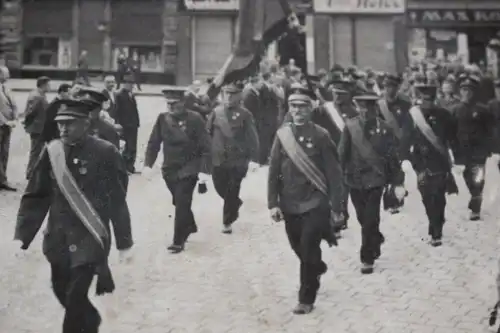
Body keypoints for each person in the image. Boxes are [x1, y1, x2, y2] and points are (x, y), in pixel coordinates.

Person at [14, 98, 133, 333]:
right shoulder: (52, 151)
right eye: (60, 124)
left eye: (70, 123)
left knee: (75, 299)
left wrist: (124, 242)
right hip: (58, 238)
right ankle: (91, 322)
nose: (63, 129)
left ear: (86, 124)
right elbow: (36, 195)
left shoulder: (105, 152)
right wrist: (22, 235)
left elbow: (117, 200)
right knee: (61, 290)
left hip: (90, 237)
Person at [268, 88, 344, 315]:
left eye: (302, 106)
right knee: (298, 246)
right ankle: (317, 268)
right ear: (289, 109)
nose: (297, 111)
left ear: (310, 109)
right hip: (290, 202)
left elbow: (334, 174)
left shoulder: (321, 135)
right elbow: (273, 171)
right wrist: (273, 203)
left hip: (315, 202)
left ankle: (306, 298)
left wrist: (337, 207)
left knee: (309, 246)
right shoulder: (282, 135)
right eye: (293, 106)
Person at [338, 93, 404, 274]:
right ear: (357, 108)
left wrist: (397, 180)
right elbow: (342, 154)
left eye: (369, 107)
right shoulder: (350, 127)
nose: (365, 111)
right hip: (354, 180)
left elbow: (392, 156)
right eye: (361, 107)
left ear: (375, 108)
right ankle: (376, 238)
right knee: (362, 218)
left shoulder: (384, 128)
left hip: (375, 180)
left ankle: (366, 258)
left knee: (370, 218)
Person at [143, 88, 212, 253]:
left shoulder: (195, 119)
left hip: (189, 168)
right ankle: (189, 225)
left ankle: (178, 240)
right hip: (169, 169)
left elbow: (206, 146)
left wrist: (203, 171)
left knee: (181, 202)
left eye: (174, 103)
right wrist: (147, 164)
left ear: (183, 103)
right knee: (179, 201)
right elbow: (154, 143)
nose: (171, 107)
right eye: (168, 104)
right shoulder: (162, 119)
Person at [407, 78, 458, 246]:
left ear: (434, 99)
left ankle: (437, 230)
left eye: (429, 99)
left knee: (439, 197)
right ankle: (433, 221)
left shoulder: (444, 115)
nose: (426, 102)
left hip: (440, 162)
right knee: (427, 197)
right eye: (423, 99)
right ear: (419, 98)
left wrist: (457, 158)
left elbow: (453, 137)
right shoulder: (413, 115)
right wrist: (404, 159)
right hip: (420, 163)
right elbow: (404, 139)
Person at [206, 81, 260, 234]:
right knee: (219, 187)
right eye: (227, 93)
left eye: (233, 94)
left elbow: (253, 138)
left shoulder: (245, 114)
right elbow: (207, 133)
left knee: (232, 189)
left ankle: (227, 221)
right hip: (218, 159)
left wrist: (254, 159)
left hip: (237, 160)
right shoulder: (216, 112)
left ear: (239, 96)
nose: (229, 97)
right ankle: (235, 203)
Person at [451, 74, 496, 220]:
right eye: (464, 89)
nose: (467, 92)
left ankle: (476, 205)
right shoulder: (455, 109)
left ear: (474, 92)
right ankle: (474, 195)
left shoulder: (483, 110)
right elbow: (451, 131)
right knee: (468, 178)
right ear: (460, 91)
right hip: (463, 151)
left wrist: (489, 148)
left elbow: (490, 130)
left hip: (479, 151)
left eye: (470, 89)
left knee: (478, 178)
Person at [378, 74, 412, 214]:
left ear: (397, 88)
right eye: (387, 87)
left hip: (400, 144)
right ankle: (390, 198)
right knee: (386, 174)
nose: (389, 90)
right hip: (384, 145)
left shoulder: (405, 104)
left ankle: (396, 201)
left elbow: (409, 125)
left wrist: (406, 142)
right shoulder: (378, 105)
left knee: (398, 175)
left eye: (392, 87)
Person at [24, 76, 51, 179]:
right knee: (35, 152)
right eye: (48, 84)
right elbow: (30, 112)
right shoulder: (36, 96)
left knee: (37, 151)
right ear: (43, 85)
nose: (50, 87)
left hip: (40, 128)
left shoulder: (41, 95)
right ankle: (31, 174)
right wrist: (30, 125)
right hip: (37, 128)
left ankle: (33, 174)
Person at [114, 74, 140, 174]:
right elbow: (117, 110)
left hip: (133, 124)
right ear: (124, 84)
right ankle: (126, 166)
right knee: (127, 146)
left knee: (133, 146)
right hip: (125, 125)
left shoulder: (131, 95)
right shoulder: (120, 95)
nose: (131, 86)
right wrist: (118, 123)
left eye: (132, 84)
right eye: (129, 83)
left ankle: (131, 166)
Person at [0, 66, 17, 191]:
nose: (8, 76)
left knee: (5, 153)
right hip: (2, 124)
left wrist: (15, 118)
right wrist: (5, 122)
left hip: (8, 126)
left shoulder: (7, 88)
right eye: (6, 74)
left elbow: (13, 104)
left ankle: (3, 179)